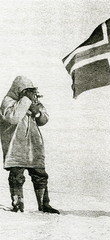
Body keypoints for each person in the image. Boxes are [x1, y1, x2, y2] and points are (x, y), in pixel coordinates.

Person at [0, 76, 59, 214]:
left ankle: (44, 204)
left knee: (40, 174)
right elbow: (13, 118)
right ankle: (18, 204)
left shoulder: (33, 102)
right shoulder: (7, 102)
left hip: (34, 144)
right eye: (27, 90)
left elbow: (44, 119)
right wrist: (27, 101)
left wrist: (37, 111)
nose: (30, 93)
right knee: (17, 175)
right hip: (16, 145)